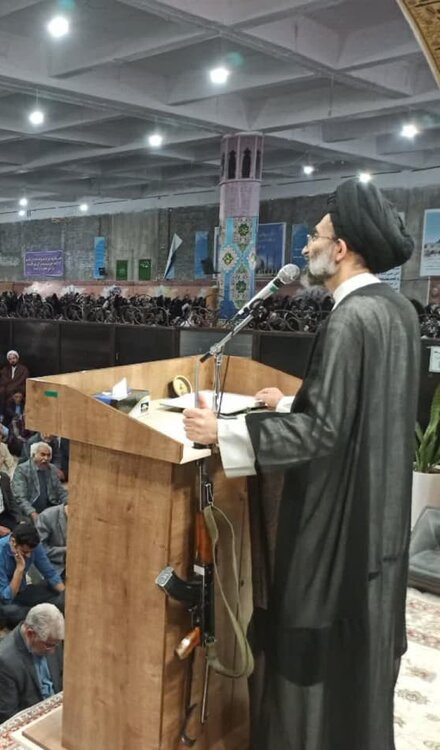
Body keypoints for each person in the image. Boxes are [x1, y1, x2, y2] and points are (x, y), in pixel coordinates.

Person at [182, 178, 417, 750]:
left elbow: (324, 432)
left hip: (337, 524)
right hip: (378, 518)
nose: (308, 245)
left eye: (316, 236)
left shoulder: (349, 319)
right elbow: (364, 410)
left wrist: (223, 432)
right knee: (358, 663)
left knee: (310, 656)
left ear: (342, 249)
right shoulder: (397, 310)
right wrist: (289, 403)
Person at [0, 603, 65, 724]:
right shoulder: (4, 661)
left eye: (56, 644)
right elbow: (9, 716)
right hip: (30, 722)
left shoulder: (52, 638)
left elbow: (61, 678)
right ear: (30, 634)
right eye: (48, 645)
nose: (53, 651)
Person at [0, 522, 65, 627]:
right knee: (14, 613)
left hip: (22, 592)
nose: (29, 555)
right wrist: (19, 570)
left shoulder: (33, 546)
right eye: (25, 552)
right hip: (1, 600)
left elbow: (50, 574)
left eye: (31, 552)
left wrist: (65, 595)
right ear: (13, 542)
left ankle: (44, 611)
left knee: (53, 590)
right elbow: (6, 598)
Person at [12, 441, 68, 514]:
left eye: (48, 455)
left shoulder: (52, 469)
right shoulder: (22, 470)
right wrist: (32, 513)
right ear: (33, 455)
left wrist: (69, 504)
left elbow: (61, 492)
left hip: (51, 508)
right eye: (43, 455)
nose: (46, 458)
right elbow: (20, 498)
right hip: (30, 509)